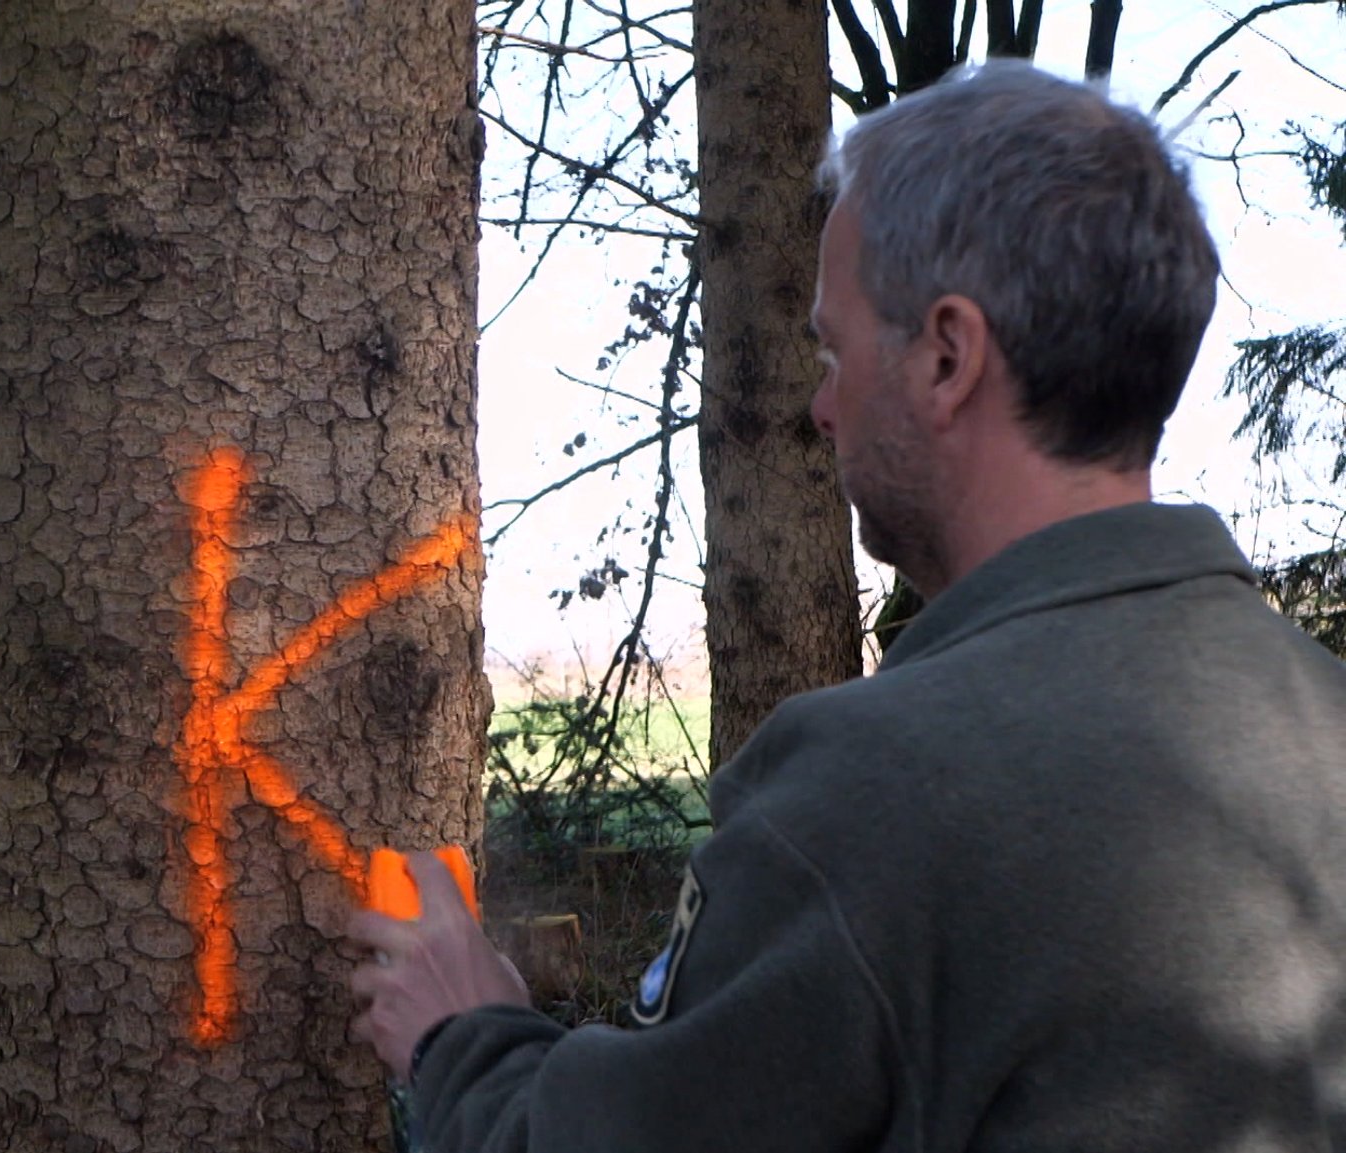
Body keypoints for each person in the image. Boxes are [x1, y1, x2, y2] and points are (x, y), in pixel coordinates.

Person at [345, 61, 1346, 1152]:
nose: (820, 406)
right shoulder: (1320, 716)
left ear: (946, 356)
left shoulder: (873, 790)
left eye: (834, 348)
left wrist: (462, 1037)